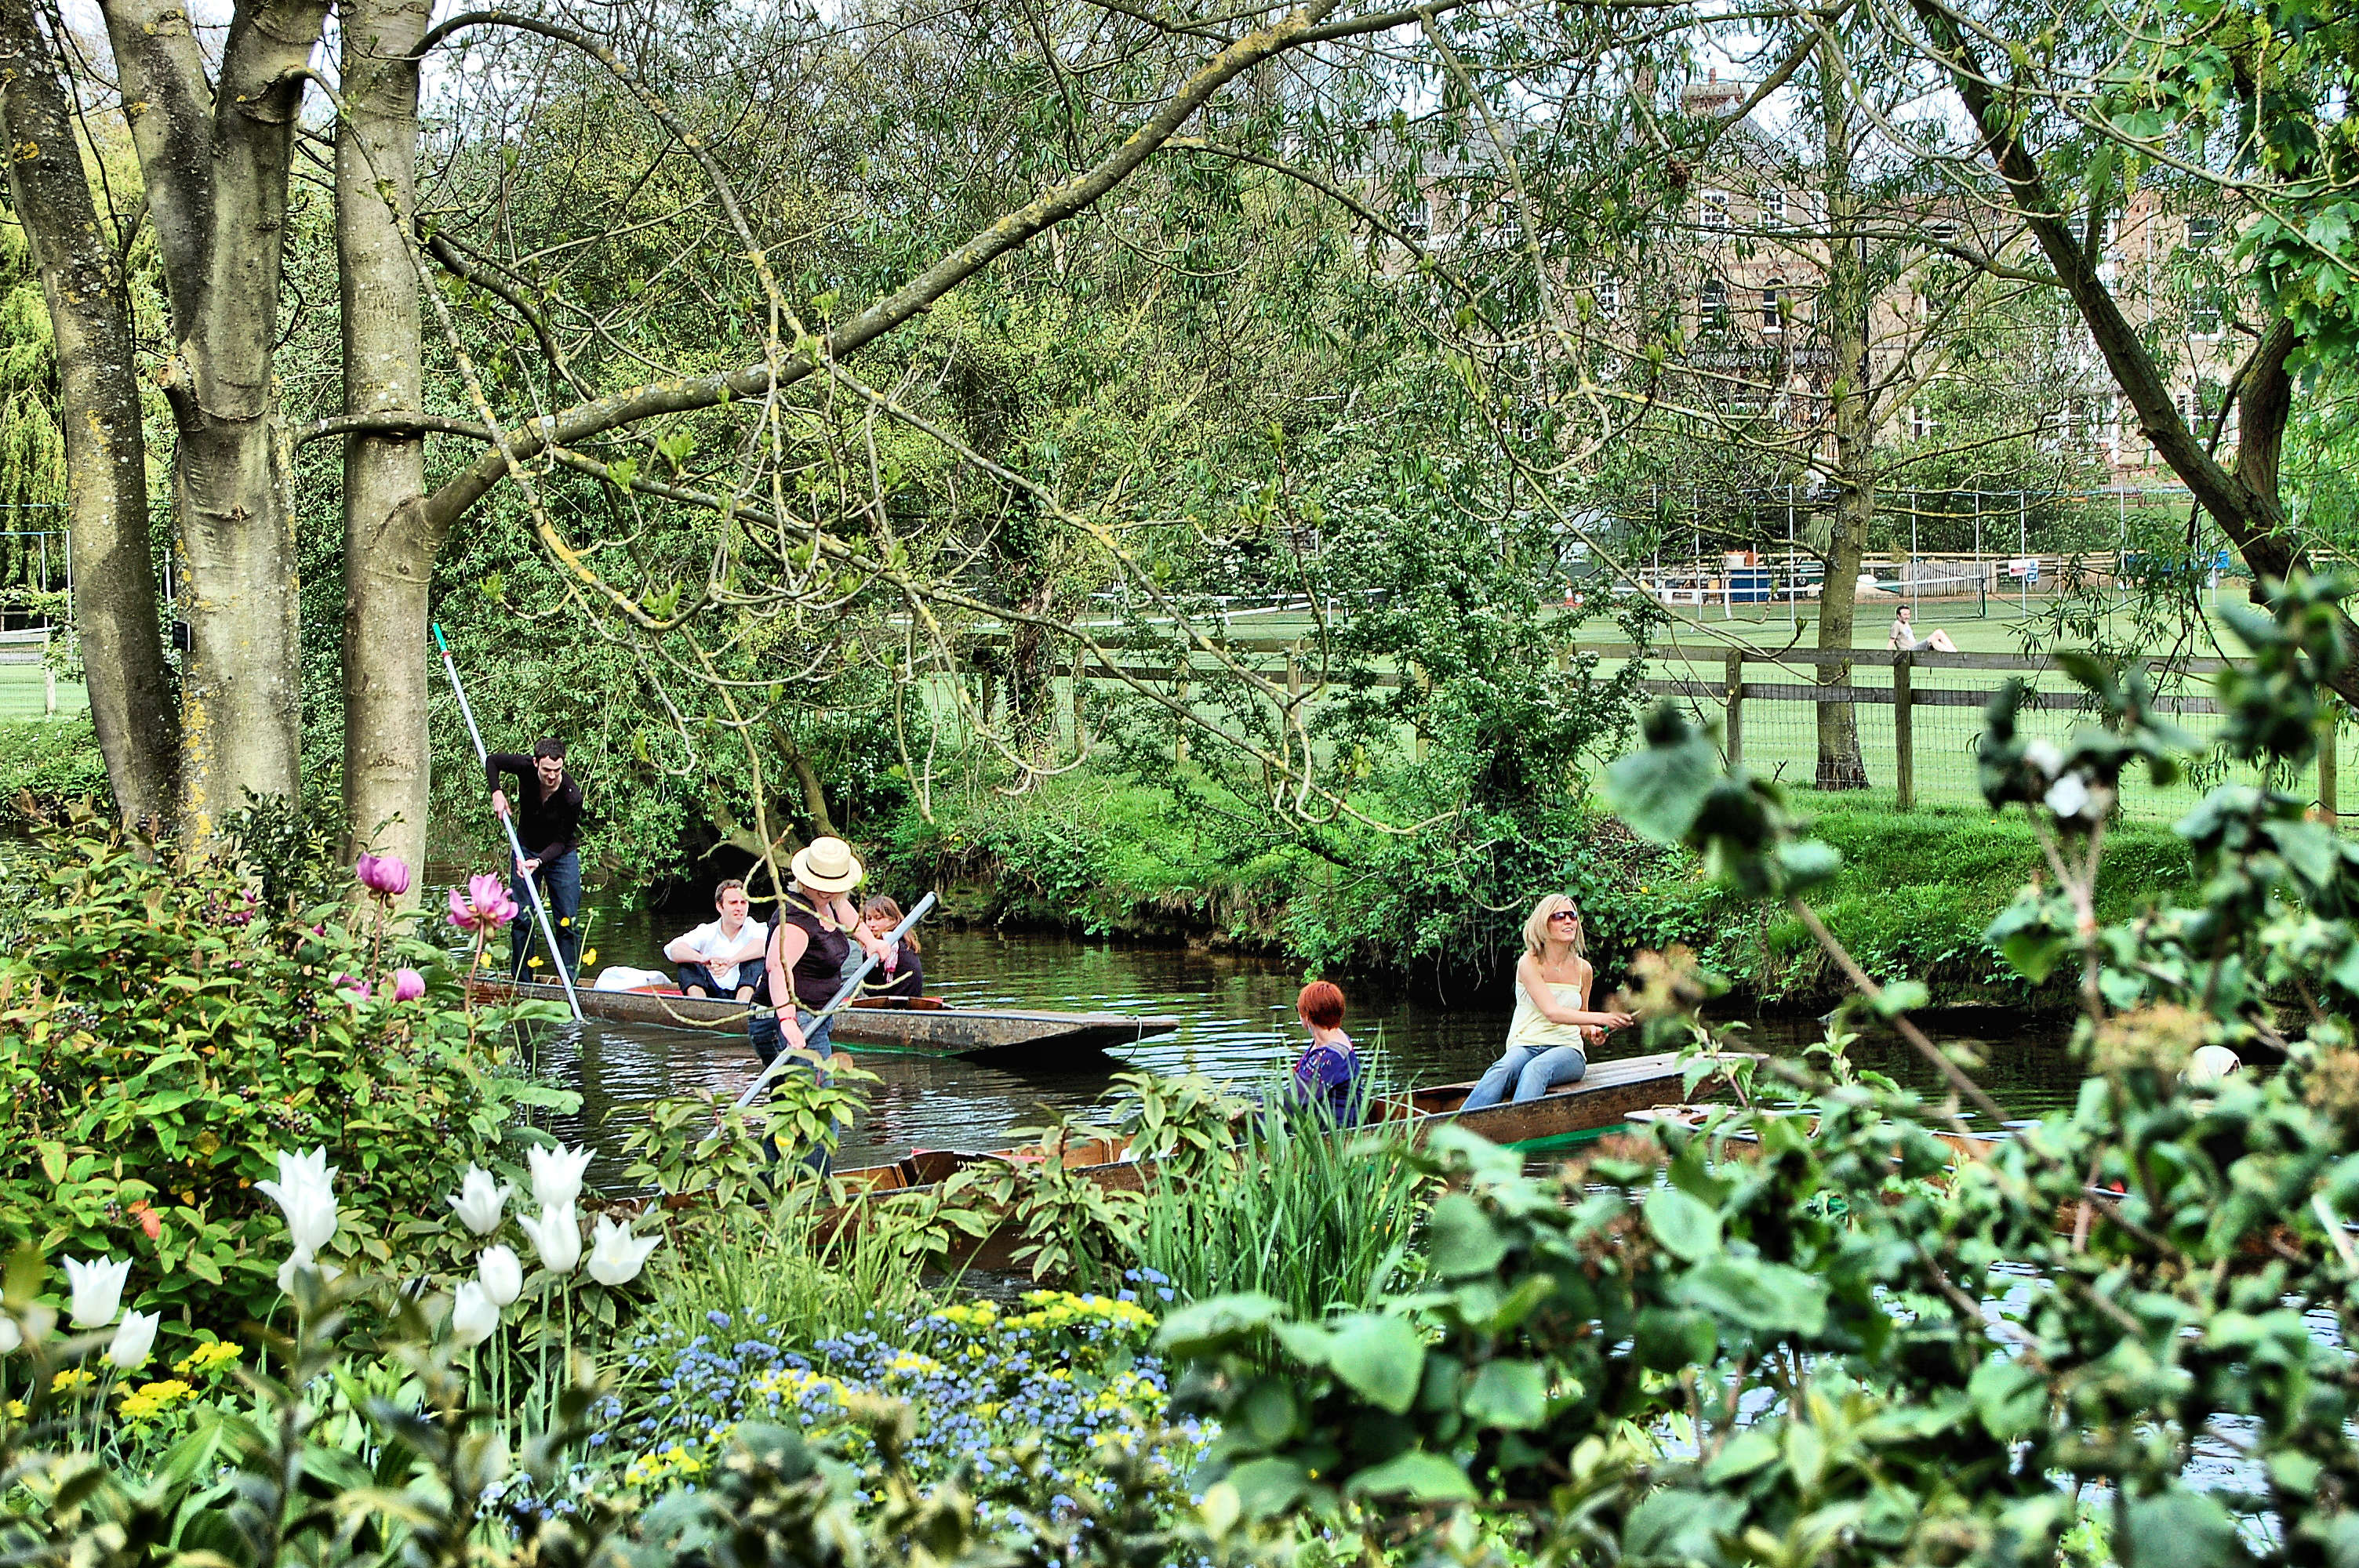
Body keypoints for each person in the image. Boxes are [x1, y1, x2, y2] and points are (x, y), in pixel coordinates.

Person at [749, 837, 889, 1171]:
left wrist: (871, 943)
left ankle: (763, 1186)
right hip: (786, 1019)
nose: (827, 893)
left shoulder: (833, 901)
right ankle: (815, 1192)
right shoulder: (796, 918)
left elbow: (851, 919)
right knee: (819, 1110)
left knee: (790, 1109)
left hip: (815, 1017)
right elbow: (777, 969)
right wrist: (787, 1021)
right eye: (821, 887)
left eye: (833, 887)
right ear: (806, 880)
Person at [1459, 895, 1635, 1111]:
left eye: (1572, 916)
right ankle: (1456, 1130)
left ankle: (1518, 1131)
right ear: (1544, 924)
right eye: (1559, 916)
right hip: (1526, 1043)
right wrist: (1603, 1017)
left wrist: (1592, 1032)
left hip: (1568, 1050)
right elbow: (1552, 1012)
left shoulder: (1584, 969)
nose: (1568, 921)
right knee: (1503, 1069)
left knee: (1536, 1069)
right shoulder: (1529, 962)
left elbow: (1581, 1019)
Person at [489, 738, 585, 981]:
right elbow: (493, 761)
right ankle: (522, 980)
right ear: (536, 763)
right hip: (526, 849)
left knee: (567, 920)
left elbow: (562, 841)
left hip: (560, 856)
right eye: (546, 771)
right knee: (522, 917)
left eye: (557, 771)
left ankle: (570, 983)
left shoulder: (571, 796)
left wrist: (539, 862)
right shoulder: (525, 767)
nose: (551, 777)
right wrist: (497, 793)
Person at [665, 877, 769, 1001]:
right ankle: (700, 1005)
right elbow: (673, 949)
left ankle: (741, 1007)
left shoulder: (755, 928)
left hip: (744, 991)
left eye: (743, 902)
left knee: (759, 961)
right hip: (711, 990)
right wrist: (702, 959)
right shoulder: (707, 931)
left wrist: (731, 962)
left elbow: (764, 945)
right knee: (687, 962)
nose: (739, 908)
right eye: (733, 903)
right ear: (720, 907)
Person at [1285, 980, 1363, 1125]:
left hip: (1334, 1129)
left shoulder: (1331, 1057)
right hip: (1315, 1117)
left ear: (1307, 1016)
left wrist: (1250, 1110)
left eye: (1299, 1010)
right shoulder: (1327, 1040)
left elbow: (1292, 1100)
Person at [856, 895, 925, 1000]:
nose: (872, 924)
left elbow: (871, 988)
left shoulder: (888, 948)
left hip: (901, 1002)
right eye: (869, 919)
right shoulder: (903, 943)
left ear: (893, 920)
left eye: (878, 918)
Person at [1888, 605, 1957, 654]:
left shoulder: (1906, 623)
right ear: (1898, 615)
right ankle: (1953, 654)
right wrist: (1887, 655)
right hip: (1908, 651)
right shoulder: (1896, 624)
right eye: (1905, 615)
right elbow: (1891, 641)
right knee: (1934, 637)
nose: (1907, 617)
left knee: (1938, 635)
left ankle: (1954, 652)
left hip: (1915, 647)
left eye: (1909, 614)